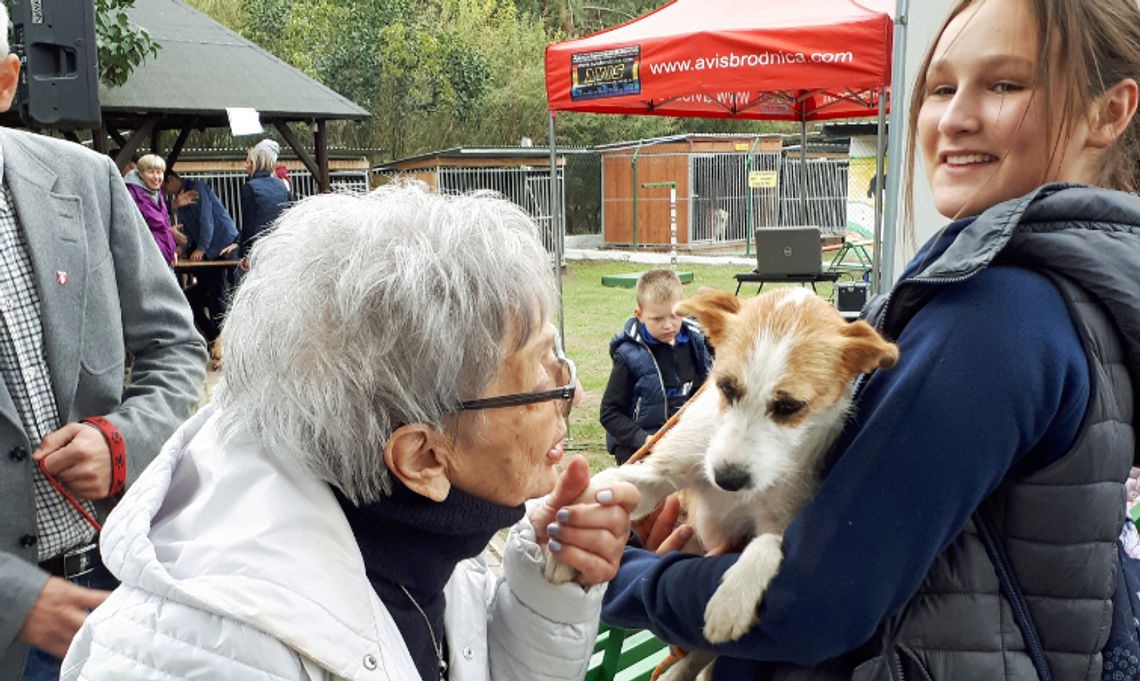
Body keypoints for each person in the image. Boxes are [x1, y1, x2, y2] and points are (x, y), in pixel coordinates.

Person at [601, 0, 1140, 679]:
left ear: (1110, 112)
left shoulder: (1001, 312)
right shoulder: (1085, 284)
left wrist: (619, 576)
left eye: (1005, 84)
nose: (955, 117)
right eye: (941, 87)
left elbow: (811, 601)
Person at [60, 184, 640, 681]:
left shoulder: (407, 523)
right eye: (543, 373)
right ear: (422, 456)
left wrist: (545, 584)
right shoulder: (206, 657)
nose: (575, 391)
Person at [0, 6, 208, 680]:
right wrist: (12, 598)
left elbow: (177, 349)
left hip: (120, 578)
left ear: (6, 81)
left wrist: (121, 441)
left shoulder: (86, 181)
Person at [599, 269, 712, 464]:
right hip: (639, 448)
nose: (668, 325)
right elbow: (609, 413)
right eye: (658, 319)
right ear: (640, 315)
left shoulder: (698, 341)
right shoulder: (628, 355)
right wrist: (644, 440)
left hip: (684, 442)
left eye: (675, 316)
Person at [162, 170, 239, 346]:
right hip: (206, 251)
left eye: (164, 185)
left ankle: (223, 342)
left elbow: (206, 221)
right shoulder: (179, 197)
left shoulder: (196, 189)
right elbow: (188, 228)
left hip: (221, 246)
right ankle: (215, 337)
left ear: (172, 179)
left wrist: (201, 248)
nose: (163, 190)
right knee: (194, 298)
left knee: (216, 296)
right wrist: (182, 248)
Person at [238, 138, 290, 269]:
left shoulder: (250, 188)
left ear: (255, 163)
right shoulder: (282, 186)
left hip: (259, 249)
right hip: (280, 246)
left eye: (248, 161)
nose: (246, 166)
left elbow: (249, 224)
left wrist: (245, 254)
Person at [122, 154, 176, 266]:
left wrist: (171, 251)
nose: (156, 177)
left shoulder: (156, 194)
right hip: (146, 260)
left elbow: (164, 227)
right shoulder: (131, 195)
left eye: (159, 172)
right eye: (151, 172)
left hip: (163, 257)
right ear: (141, 174)